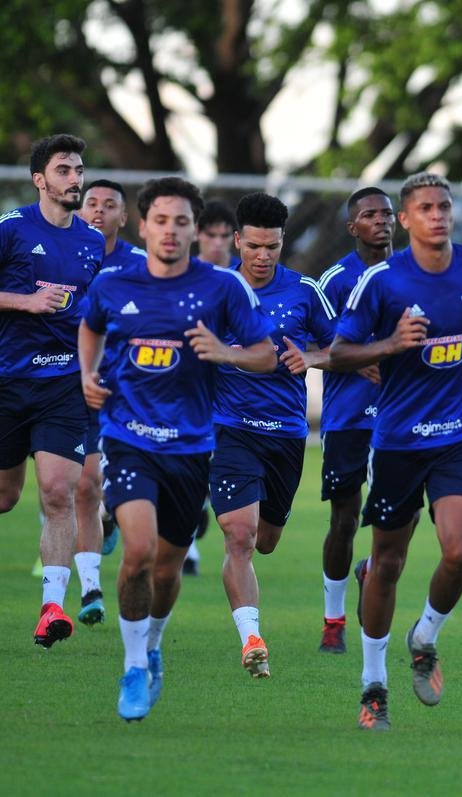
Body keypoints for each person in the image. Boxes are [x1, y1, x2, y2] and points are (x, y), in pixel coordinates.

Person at [79, 176, 276, 721]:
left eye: (181, 222)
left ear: (196, 230)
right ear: (145, 226)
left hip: (191, 448)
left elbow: (266, 354)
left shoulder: (223, 289)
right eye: (161, 221)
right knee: (138, 553)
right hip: (128, 438)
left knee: (166, 572)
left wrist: (224, 352)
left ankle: (155, 644)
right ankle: (135, 665)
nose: (170, 230)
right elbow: (90, 328)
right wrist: (88, 375)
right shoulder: (115, 282)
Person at [329, 171, 462, 731]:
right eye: (425, 208)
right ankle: (373, 686)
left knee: (458, 550)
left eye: (444, 206)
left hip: (460, 434)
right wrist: (392, 343)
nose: (437, 215)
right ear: (404, 220)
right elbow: (338, 351)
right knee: (386, 562)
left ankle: (425, 635)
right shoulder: (382, 281)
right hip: (399, 443)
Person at [210, 192, 335, 678]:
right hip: (228, 430)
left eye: (273, 247)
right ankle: (252, 640)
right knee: (238, 536)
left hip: (284, 434)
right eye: (254, 246)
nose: (262, 256)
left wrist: (314, 359)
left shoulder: (304, 291)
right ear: (237, 240)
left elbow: (340, 344)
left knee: (265, 541)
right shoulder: (214, 289)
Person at [0, 133, 104, 648]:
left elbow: (96, 313)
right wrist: (26, 301)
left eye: (79, 170)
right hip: (7, 383)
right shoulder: (11, 229)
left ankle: (51, 610)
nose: (75, 179)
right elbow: (25, 299)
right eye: (64, 170)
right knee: (6, 496)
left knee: (59, 494)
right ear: (40, 179)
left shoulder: (91, 241)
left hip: (62, 385)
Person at [315, 187, 393, 654]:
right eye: (370, 214)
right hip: (347, 417)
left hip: (399, 418)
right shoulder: (336, 280)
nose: (381, 220)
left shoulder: (410, 274)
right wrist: (351, 357)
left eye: (387, 213)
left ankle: (373, 572)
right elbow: (310, 349)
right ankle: (333, 618)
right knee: (343, 518)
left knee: (393, 519)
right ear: (353, 227)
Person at [72, 179, 147, 625]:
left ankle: (113, 519)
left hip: (126, 392)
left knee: (104, 485)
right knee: (82, 485)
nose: (98, 211)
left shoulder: (140, 265)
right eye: (91, 203)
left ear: (124, 217)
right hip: (71, 385)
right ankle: (90, 588)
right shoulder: (64, 253)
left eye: (110, 205)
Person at [184, 199, 239, 576]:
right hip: (191, 392)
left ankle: (200, 510)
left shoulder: (241, 281)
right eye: (210, 235)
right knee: (188, 467)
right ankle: (187, 547)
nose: (217, 243)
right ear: (197, 236)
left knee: (213, 472)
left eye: (224, 236)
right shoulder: (183, 277)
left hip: (236, 396)